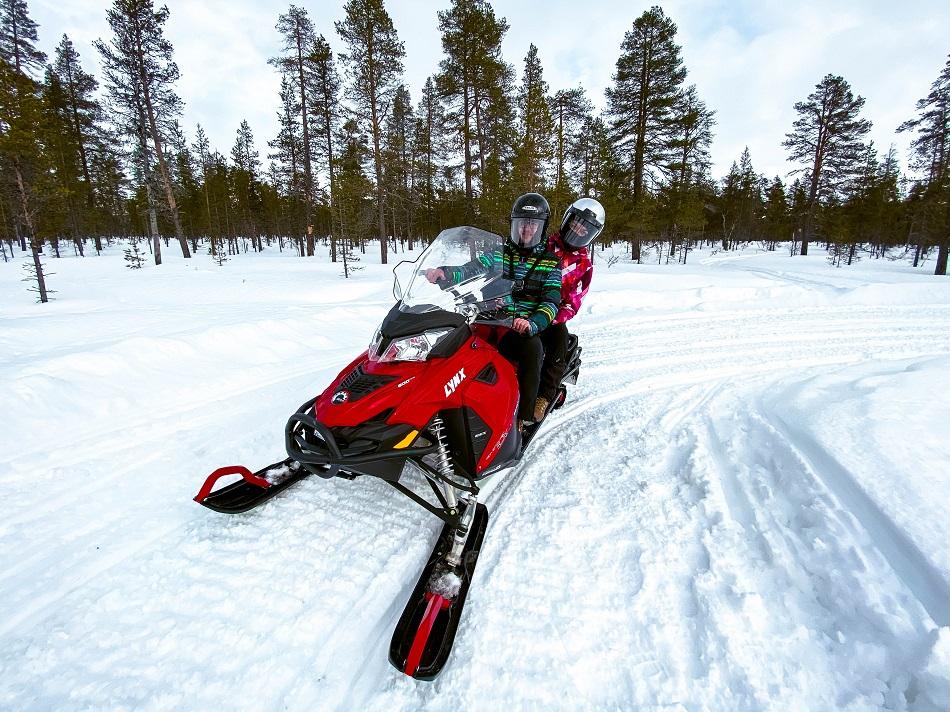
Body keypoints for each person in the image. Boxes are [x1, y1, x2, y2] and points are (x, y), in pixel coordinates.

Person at [426, 193, 562, 433]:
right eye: (522, 223)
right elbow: (471, 269)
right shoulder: (499, 253)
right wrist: (445, 273)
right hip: (494, 319)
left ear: (541, 228)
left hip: (521, 326)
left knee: (533, 348)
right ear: (514, 224)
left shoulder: (550, 262)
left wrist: (531, 323)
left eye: (533, 224)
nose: (527, 229)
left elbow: (552, 301)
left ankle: (523, 416)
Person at [534, 197, 605, 421]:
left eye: (584, 228)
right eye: (575, 223)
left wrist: (551, 317)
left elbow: (574, 301)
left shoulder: (584, 266)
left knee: (558, 338)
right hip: (521, 304)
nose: (578, 229)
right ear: (567, 220)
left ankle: (543, 397)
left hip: (550, 315)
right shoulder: (542, 244)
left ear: (591, 235)